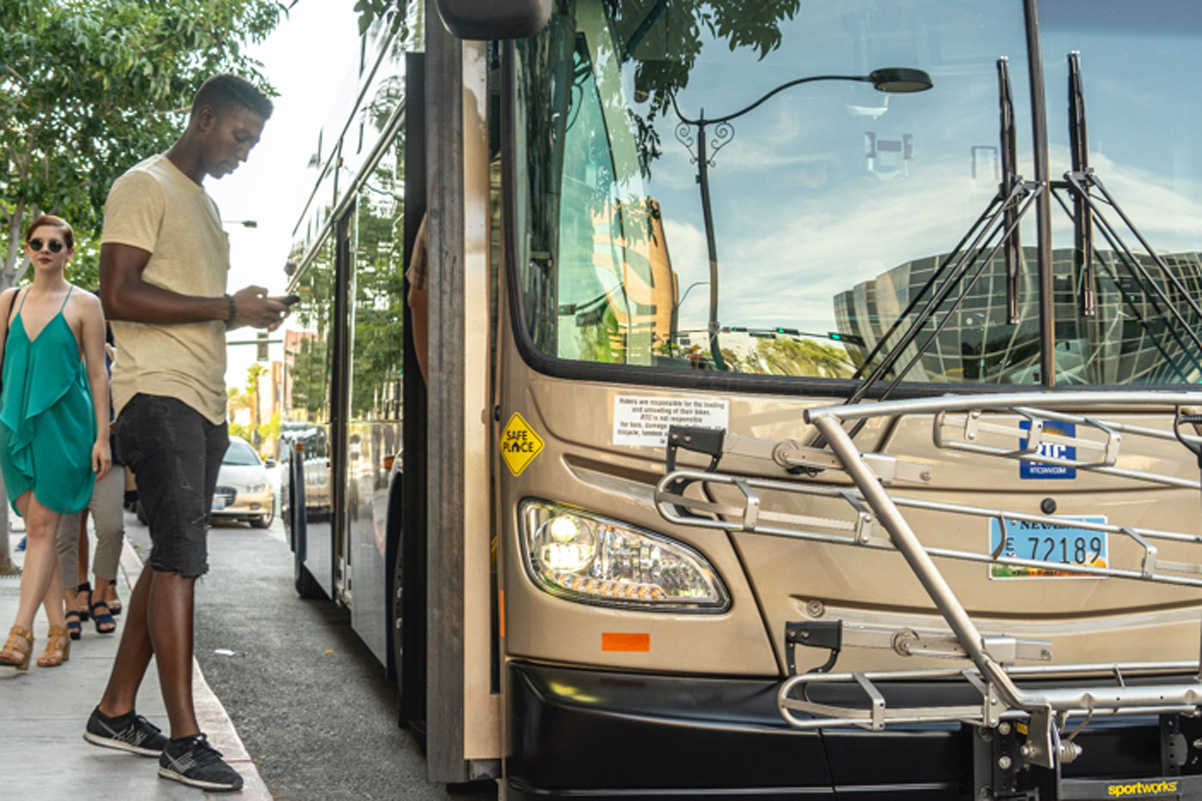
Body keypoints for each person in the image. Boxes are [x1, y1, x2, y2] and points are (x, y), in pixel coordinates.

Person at [84, 74, 286, 793]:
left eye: (253, 142)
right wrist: (226, 303)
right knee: (181, 558)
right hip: (157, 393)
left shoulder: (205, 205)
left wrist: (241, 312)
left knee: (174, 553)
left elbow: (191, 304)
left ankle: (114, 712)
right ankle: (183, 738)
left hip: (201, 397)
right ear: (203, 119)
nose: (245, 152)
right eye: (239, 136)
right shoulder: (145, 185)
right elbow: (118, 293)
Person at [0, 215, 112, 670]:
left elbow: (98, 372)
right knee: (38, 531)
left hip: (65, 429)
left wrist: (103, 436)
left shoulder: (85, 304)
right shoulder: (8, 301)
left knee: (43, 528)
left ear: (68, 251)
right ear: (26, 249)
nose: (44, 249)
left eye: (55, 243)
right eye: (36, 243)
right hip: (13, 428)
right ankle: (59, 630)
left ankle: (18, 634)